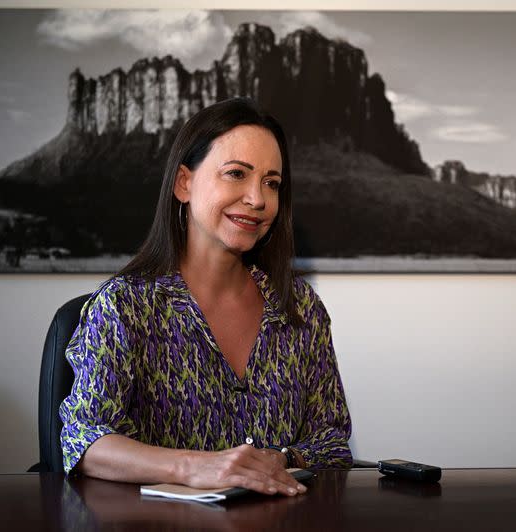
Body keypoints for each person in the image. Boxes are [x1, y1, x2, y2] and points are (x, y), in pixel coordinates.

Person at [59, 98, 352, 497]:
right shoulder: (124, 307)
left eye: (271, 183)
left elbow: (331, 442)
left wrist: (279, 460)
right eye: (236, 174)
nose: (257, 199)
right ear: (184, 183)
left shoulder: (300, 309)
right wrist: (196, 467)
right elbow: (85, 441)